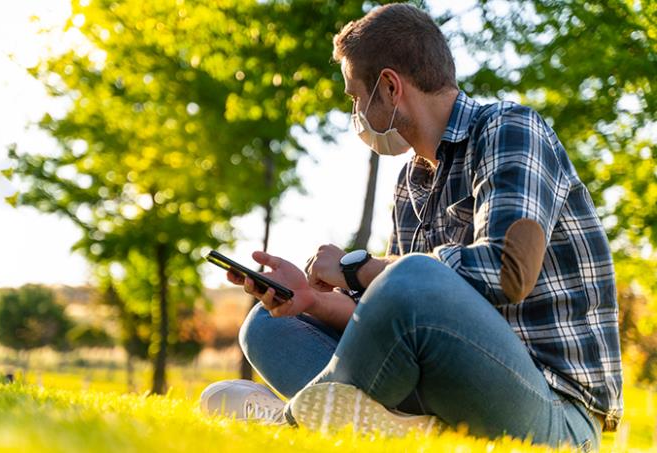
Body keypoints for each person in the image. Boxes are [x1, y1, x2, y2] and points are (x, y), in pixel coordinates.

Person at [199, 3, 622, 450]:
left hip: (554, 412)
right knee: (268, 327)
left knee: (414, 274)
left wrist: (356, 268)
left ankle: (293, 425)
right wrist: (312, 302)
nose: (356, 112)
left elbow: (507, 272)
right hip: (447, 395)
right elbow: (396, 318)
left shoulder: (510, 130)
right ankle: (392, 428)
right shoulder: (411, 182)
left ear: (389, 86)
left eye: (355, 97)